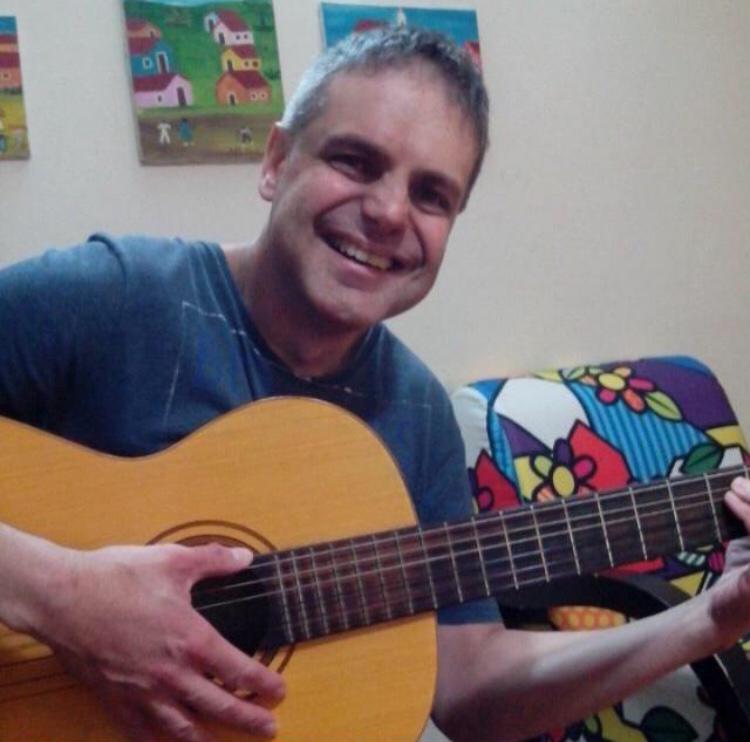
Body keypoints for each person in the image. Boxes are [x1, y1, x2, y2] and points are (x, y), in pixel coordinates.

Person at [0, 26, 749, 742]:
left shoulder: (414, 412)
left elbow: (466, 685)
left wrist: (707, 621)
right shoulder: (116, 299)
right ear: (276, 162)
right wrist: (62, 597)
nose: (390, 212)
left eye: (431, 195)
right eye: (356, 162)